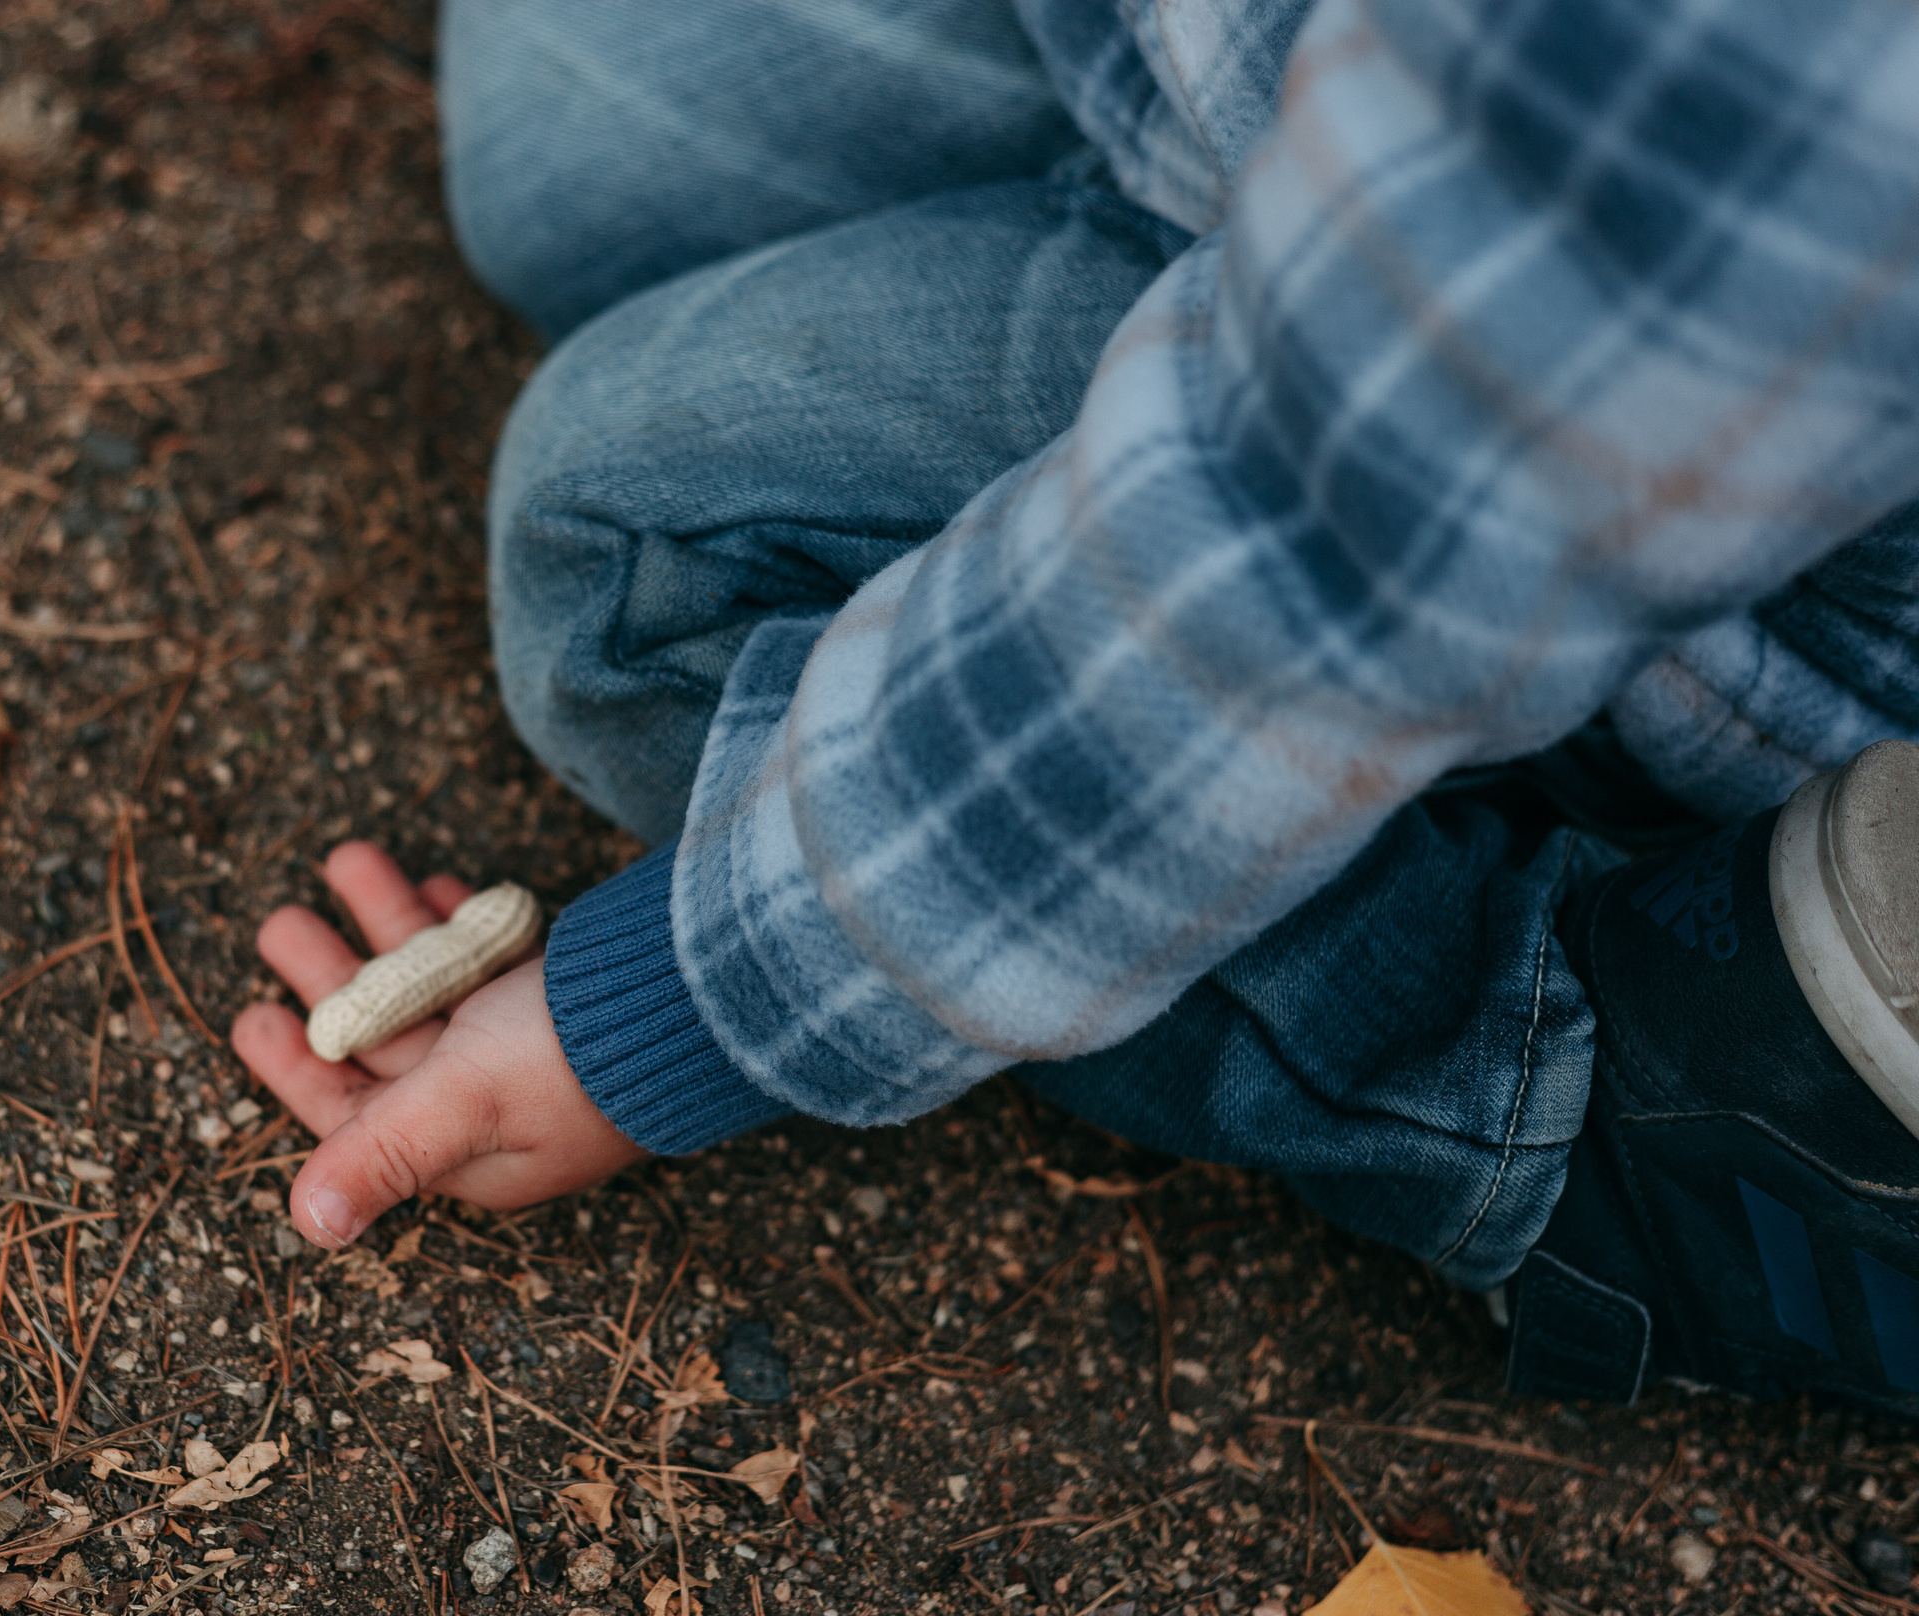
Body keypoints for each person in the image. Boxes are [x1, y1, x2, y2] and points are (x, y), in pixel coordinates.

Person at [229, 0, 1919, 1411]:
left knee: (628, 557)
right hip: (1232, 77)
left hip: (1592, 487)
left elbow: (1353, 529)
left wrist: (685, 997)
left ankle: (1571, 1116)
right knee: (567, 144)